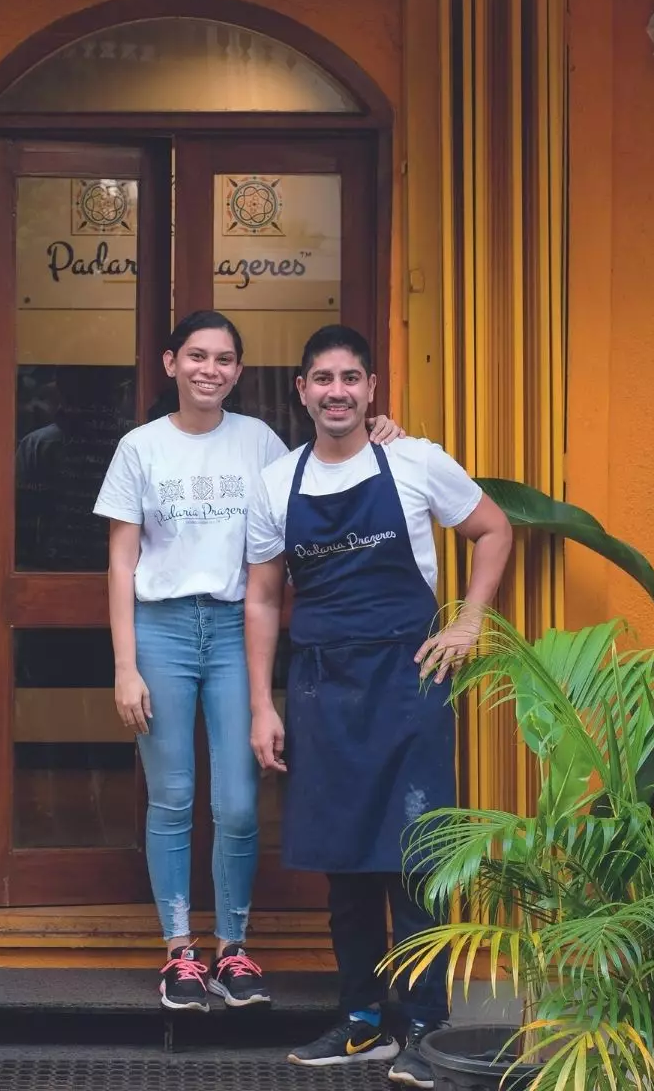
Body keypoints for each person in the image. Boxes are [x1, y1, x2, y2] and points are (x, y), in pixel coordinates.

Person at [95, 311, 405, 1014]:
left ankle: (233, 948)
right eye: (197, 356)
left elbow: (323, 474)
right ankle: (180, 953)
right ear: (171, 363)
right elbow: (120, 563)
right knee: (172, 800)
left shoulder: (260, 442)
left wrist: (383, 433)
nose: (211, 369)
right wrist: (124, 664)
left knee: (238, 803)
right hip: (162, 630)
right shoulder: (140, 448)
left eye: (226, 359)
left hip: (237, 630)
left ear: (238, 371)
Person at [245, 325, 513, 1089]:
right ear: (302, 390)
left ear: (371, 389)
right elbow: (263, 599)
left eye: (350, 378)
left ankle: (426, 1027)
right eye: (322, 378)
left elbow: (493, 530)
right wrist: (264, 703)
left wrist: (468, 623)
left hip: (410, 680)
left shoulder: (415, 461)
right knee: (345, 866)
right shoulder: (275, 484)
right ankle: (363, 1021)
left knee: (418, 861)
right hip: (322, 687)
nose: (336, 391)